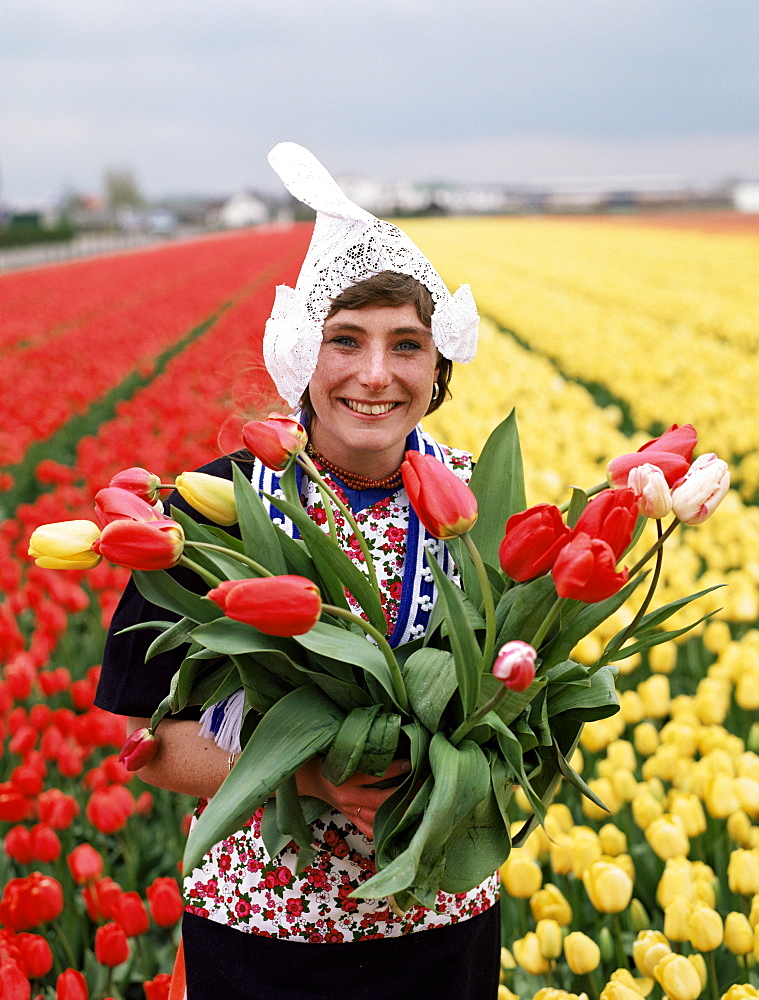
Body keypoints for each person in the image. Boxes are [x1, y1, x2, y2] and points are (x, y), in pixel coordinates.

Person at [95, 143, 500, 999]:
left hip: (441, 923)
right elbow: (138, 741)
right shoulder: (209, 516)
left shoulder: (481, 504)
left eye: (407, 345)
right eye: (343, 341)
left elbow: (522, 696)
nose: (374, 374)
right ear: (298, 360)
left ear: (438, 367)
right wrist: (308, 771)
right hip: (262, 928)